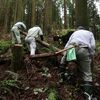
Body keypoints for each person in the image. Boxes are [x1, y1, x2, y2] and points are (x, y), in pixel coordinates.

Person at [59, 26, 96, 100]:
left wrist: (64, 57)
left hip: (71, 49)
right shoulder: (89, 33)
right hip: (83, 49)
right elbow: (92, 46)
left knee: (69, 63)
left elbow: (67, 46)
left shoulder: (74, 33)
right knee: (87, 73)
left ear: (78, 29)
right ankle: (88, 96)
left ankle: (63, 77)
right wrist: (91, 55)